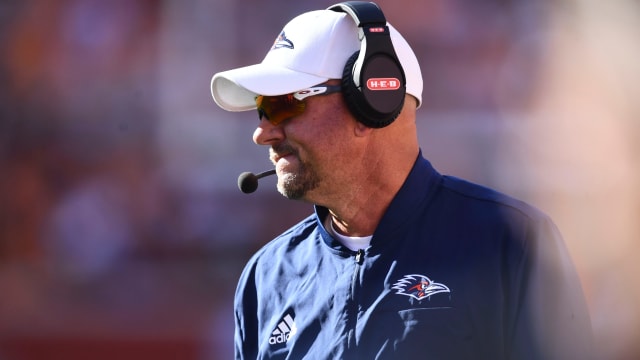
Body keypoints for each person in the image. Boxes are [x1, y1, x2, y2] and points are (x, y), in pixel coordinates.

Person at [210, 2, 593, 359]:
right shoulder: (267, 277)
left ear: (371, 101)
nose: (263, 133)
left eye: (282, 104)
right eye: (261, 109)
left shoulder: (510, 243)